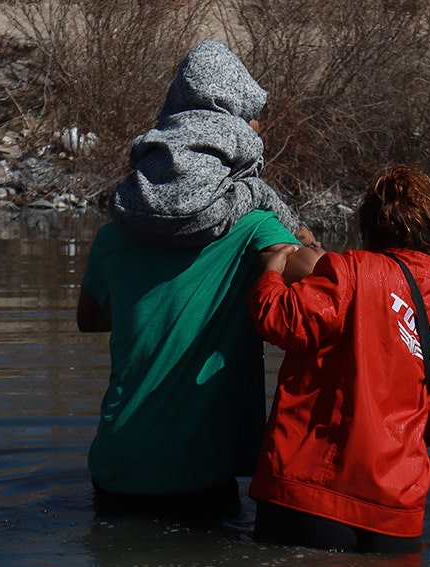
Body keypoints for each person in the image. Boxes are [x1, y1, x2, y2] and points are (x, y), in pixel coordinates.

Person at [77, 40, 315, 520]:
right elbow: (328, 286)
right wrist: (299, 238)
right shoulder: (256, 230)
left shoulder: (114, 232)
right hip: (197, 474)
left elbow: (91, 318)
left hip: (115, 465)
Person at [246, 165, 430, 553]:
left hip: (309, 494)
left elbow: (281, 319)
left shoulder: (349, 271)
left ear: (367, 226)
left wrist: (271, 272)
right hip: (395, 512)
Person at [108, 38, 302, 248]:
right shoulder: (234, 128)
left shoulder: (167, 126)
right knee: (256, 188)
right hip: (201, 217)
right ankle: (297, 231)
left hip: (132, 210)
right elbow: (250, 168)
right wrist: (251, 133)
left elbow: (136, 155)